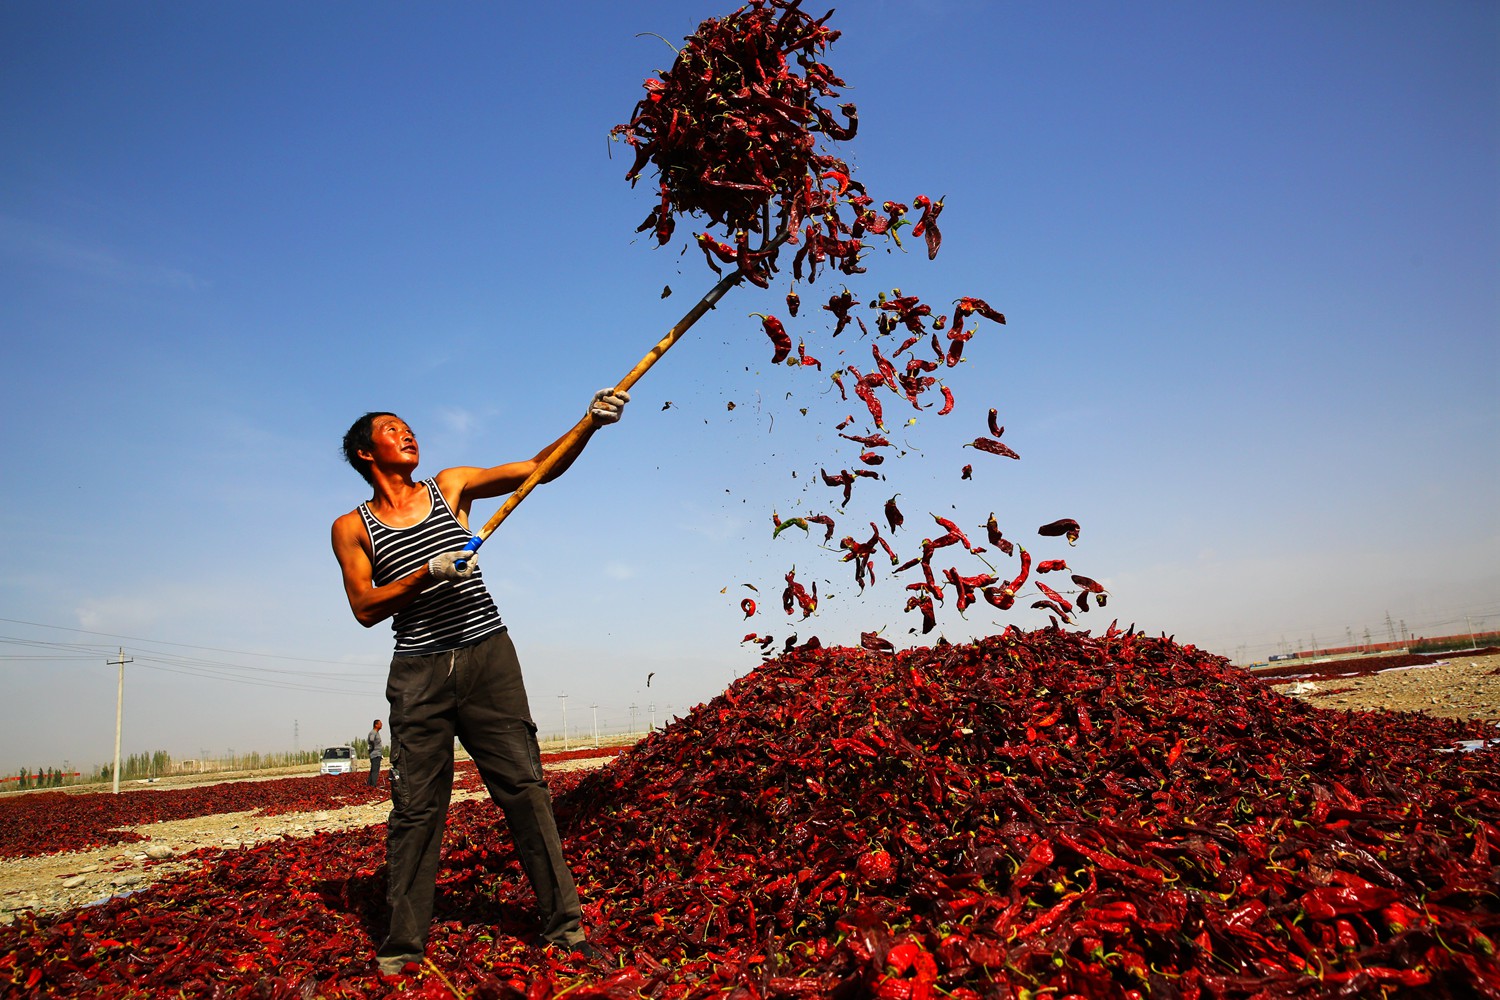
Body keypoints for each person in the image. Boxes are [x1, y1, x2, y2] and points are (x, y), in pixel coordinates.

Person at [331, 388, 629, 975]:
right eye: (393, 429)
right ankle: (402, 948)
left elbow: (539, 468)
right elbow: (364, 607)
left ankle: (565, 927)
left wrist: (588, 424)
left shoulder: (451, 485)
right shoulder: (351, 526)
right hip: (418, 673)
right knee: (416, 808)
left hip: (487, 655)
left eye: (409, 426)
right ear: (367, 453)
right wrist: (425, 574)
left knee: (524, 787)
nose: (408, 433)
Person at [367, 719, 385, 788]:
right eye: (380, 723)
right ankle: (373, 785)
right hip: (375, 754)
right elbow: (371, 740)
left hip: (377, 754)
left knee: (373, 770)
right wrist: (373, 747)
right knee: (375, 771)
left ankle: (369, 785)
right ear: (376, 725)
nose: (381, 725)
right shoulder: (373, 732)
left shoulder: (376, 732)